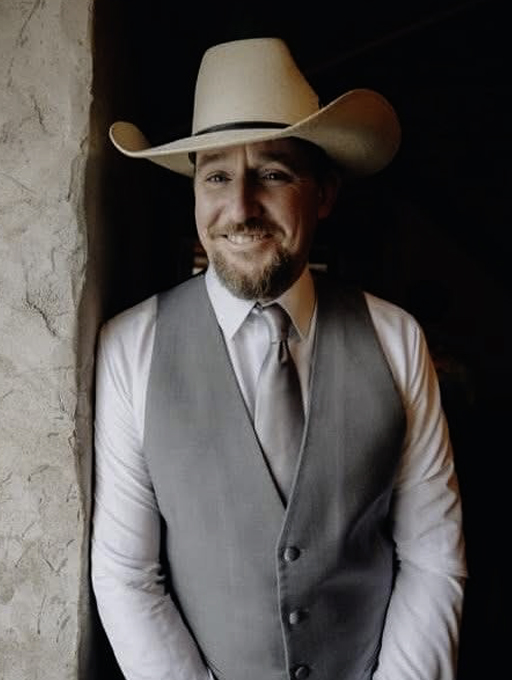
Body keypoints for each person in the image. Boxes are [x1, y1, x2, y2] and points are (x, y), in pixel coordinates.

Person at [91, 37, 467, 680]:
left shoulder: (397, 339)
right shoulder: (130, 347)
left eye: (272, 174)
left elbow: (433, 557)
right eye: (216, 177)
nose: (240, 209)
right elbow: (127, 574)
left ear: (323, 194)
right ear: (195, 193)